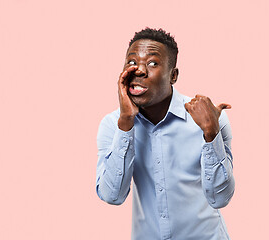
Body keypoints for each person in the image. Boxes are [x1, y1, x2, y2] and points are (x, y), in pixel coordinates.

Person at [96, 28, 235, 240]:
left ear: (173, 75)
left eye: (152, 63)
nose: (139, 71)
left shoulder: (209, 118)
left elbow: (220, 198)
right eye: (132, 62)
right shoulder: (112, 124)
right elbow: (112, 196)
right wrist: (126, 123)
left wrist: (211, 133)